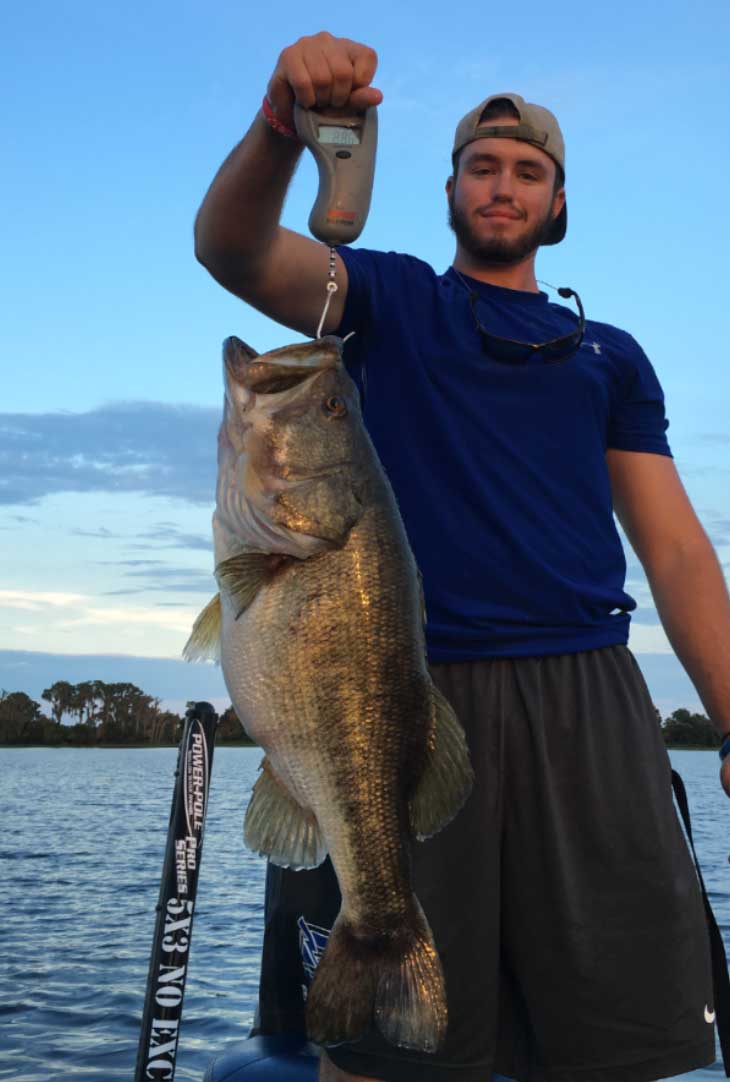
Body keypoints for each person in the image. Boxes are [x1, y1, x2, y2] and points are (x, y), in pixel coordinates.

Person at [194, 32, 730, 1082]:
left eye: (528, 171)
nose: (503, 184)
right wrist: (277, 128)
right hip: (395, 692)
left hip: (587, 696)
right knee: (380, 1048)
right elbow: (233, 249)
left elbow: (670, 546)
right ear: (446, 187)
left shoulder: (606, 355)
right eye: (482, 165)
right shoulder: (393, 302)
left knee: (614, 1033)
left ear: (557, 203)